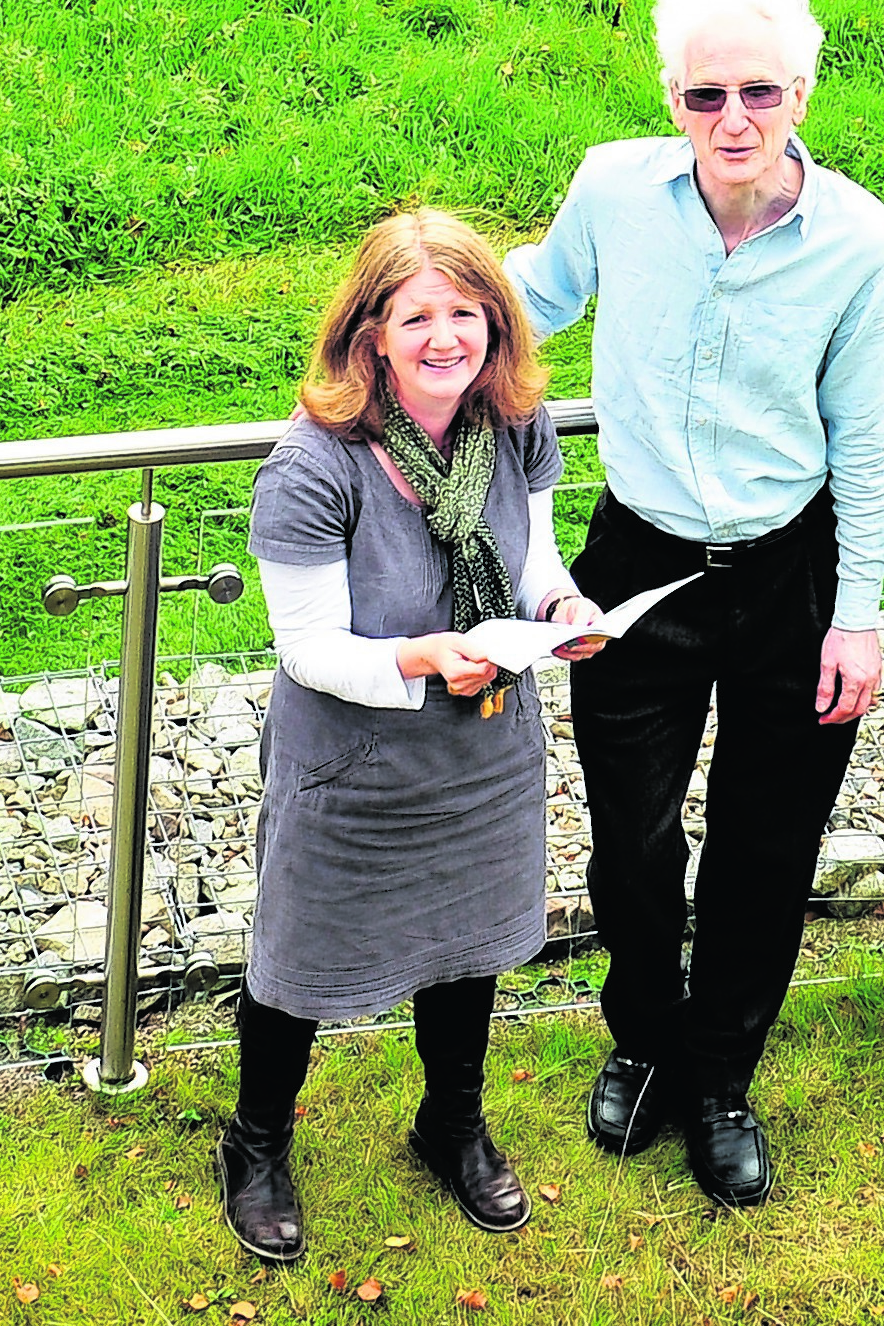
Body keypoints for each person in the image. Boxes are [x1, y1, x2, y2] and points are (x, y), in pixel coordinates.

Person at [503, 0, 884, 1208]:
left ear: (801, 91)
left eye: (760, 92)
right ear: (670, 96)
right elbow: (536, 297)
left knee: (765, 845)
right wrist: (411, 327)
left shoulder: (858, 240)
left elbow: (868, 439)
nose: (733, 119)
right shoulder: (612, 189)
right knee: (629, 841)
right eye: (705, 94)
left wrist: (855, 612)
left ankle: (721, 1075)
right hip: (640, 565)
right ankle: (643, 1038)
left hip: (789, 571)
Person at [220, 208, 605, 1262]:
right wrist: (426, 656)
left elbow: (533, 559)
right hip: (353, 763)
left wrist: (562, 609)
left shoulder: (512, 423)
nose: (446, 336)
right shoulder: (312, 466)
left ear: (496, 322)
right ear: (371, 336)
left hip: (482, 746)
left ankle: (451, 1122)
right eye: (416, 316)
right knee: (298, 958)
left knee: (468, 939)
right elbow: (307, 648)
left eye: (466, 312)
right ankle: (255, 1142)